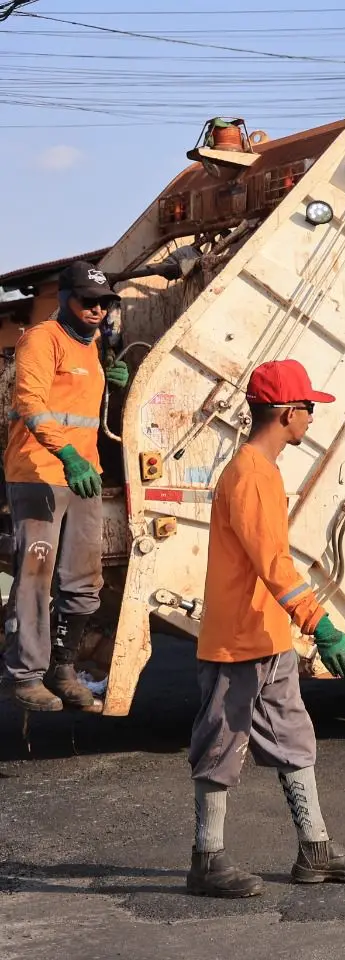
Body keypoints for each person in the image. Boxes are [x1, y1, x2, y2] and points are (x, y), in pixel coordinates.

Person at [186, 358, 345, 898]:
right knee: (221, 746)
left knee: (295, 739)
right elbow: (272, 563)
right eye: (309, 409)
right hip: (237, 641)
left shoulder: (263, 471)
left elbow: (272, 565)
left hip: (268, 638)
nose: (313, 418)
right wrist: (321, 625)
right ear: (286, 412)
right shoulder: (249, 474)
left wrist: (300, 629)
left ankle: (315, 851)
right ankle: (207, 859)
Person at [4, 261, 130, 713]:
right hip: (39, 473)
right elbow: (31, 402)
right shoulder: (41, 339)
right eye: (88, 301)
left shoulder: (94, 344)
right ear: (66, 300)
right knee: (36, 575)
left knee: (83, 582)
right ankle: (24, 674)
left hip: (84, 477)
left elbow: (77, 403)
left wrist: (112, 386)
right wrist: (67, 454)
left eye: (104, 303)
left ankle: (62, 668)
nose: (96, 310)